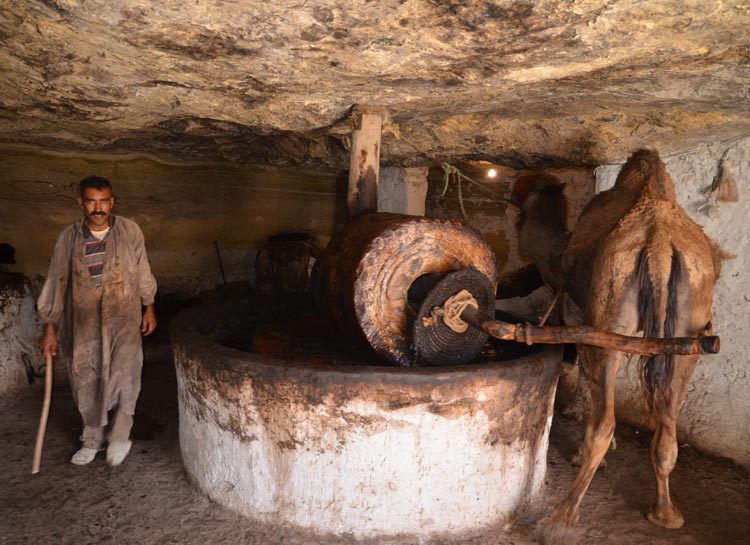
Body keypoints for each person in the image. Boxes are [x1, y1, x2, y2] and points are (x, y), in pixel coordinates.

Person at [37, 175, 157, 467]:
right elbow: (56, 281)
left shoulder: (129, 230)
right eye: (91, 201)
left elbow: (142, 269)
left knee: (126, 377)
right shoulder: (69, 237)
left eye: (104, 201)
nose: (98, 208)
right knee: (87, 380)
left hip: (124, 319)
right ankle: (91, 441)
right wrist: (49, 329)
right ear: (81, 202)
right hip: (84, 322)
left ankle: (119, 436)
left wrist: (149, 306)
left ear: (112, 202)